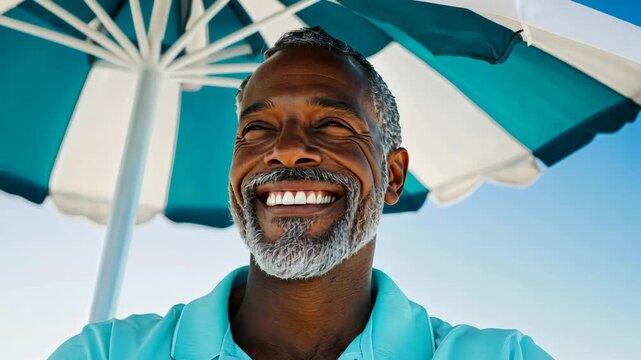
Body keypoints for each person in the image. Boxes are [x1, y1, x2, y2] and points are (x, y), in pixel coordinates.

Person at [50, 27, 552, 360]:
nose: (287, 151)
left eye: (333, 124)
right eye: (258, 129)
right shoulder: (106, 352)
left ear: (393, 175)